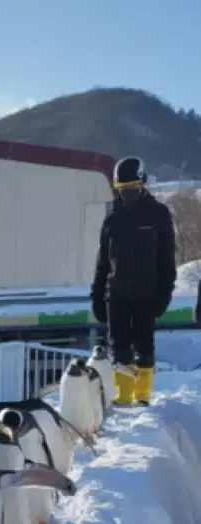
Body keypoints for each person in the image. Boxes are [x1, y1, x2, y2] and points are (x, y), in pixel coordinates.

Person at [91, 156, 176, 406]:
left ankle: (141, 398)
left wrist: (164, 294)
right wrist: (96, 296)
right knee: (119, 350)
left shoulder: (159, 215)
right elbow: (102, 262)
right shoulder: (112, 218)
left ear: (143, 184)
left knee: (144, 349)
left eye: (132, 189)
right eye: (122, 190)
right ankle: (124, 397)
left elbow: (166, 261)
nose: (127, 194)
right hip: (116, 294)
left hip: (147, 294)